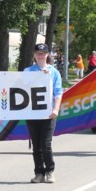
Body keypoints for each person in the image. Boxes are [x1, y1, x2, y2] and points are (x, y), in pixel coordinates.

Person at [24, 43, 63, 183]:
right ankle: (39, 172)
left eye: (43, 53)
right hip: (33, 113)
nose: (40, 55)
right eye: (38, 53)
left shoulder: (54, 72)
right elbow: (22, 88)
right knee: (36, 146)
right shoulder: (27, 71)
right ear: (34, 55)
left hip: (48, 114)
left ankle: (50, 171)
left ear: (47, 55)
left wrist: (56, 109)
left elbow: (58, 92)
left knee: (46, 144)